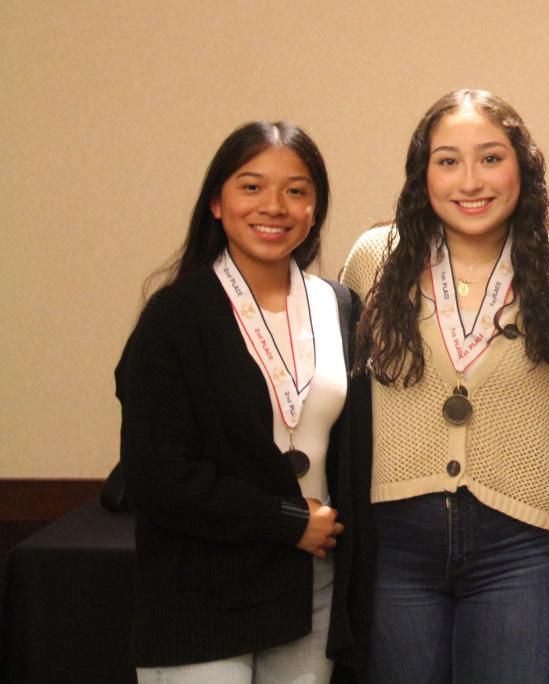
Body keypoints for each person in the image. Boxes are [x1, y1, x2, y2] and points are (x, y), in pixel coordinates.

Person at [342, 89, 549, 683]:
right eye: (447, 160)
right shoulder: (374, 260)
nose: (470, 180)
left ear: (522, 168)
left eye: (490, 158)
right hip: (395, 539)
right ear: (422, 174)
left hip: (522, 543)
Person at [117, 122, 370, 682]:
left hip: (312, 580)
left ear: (315, 209)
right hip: (202, 587)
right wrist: (283, 519)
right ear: (216, 202)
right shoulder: (176, 316)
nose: (274, 207)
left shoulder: (340, 306)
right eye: (251, 187)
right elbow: (156, 477)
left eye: (297, 190)